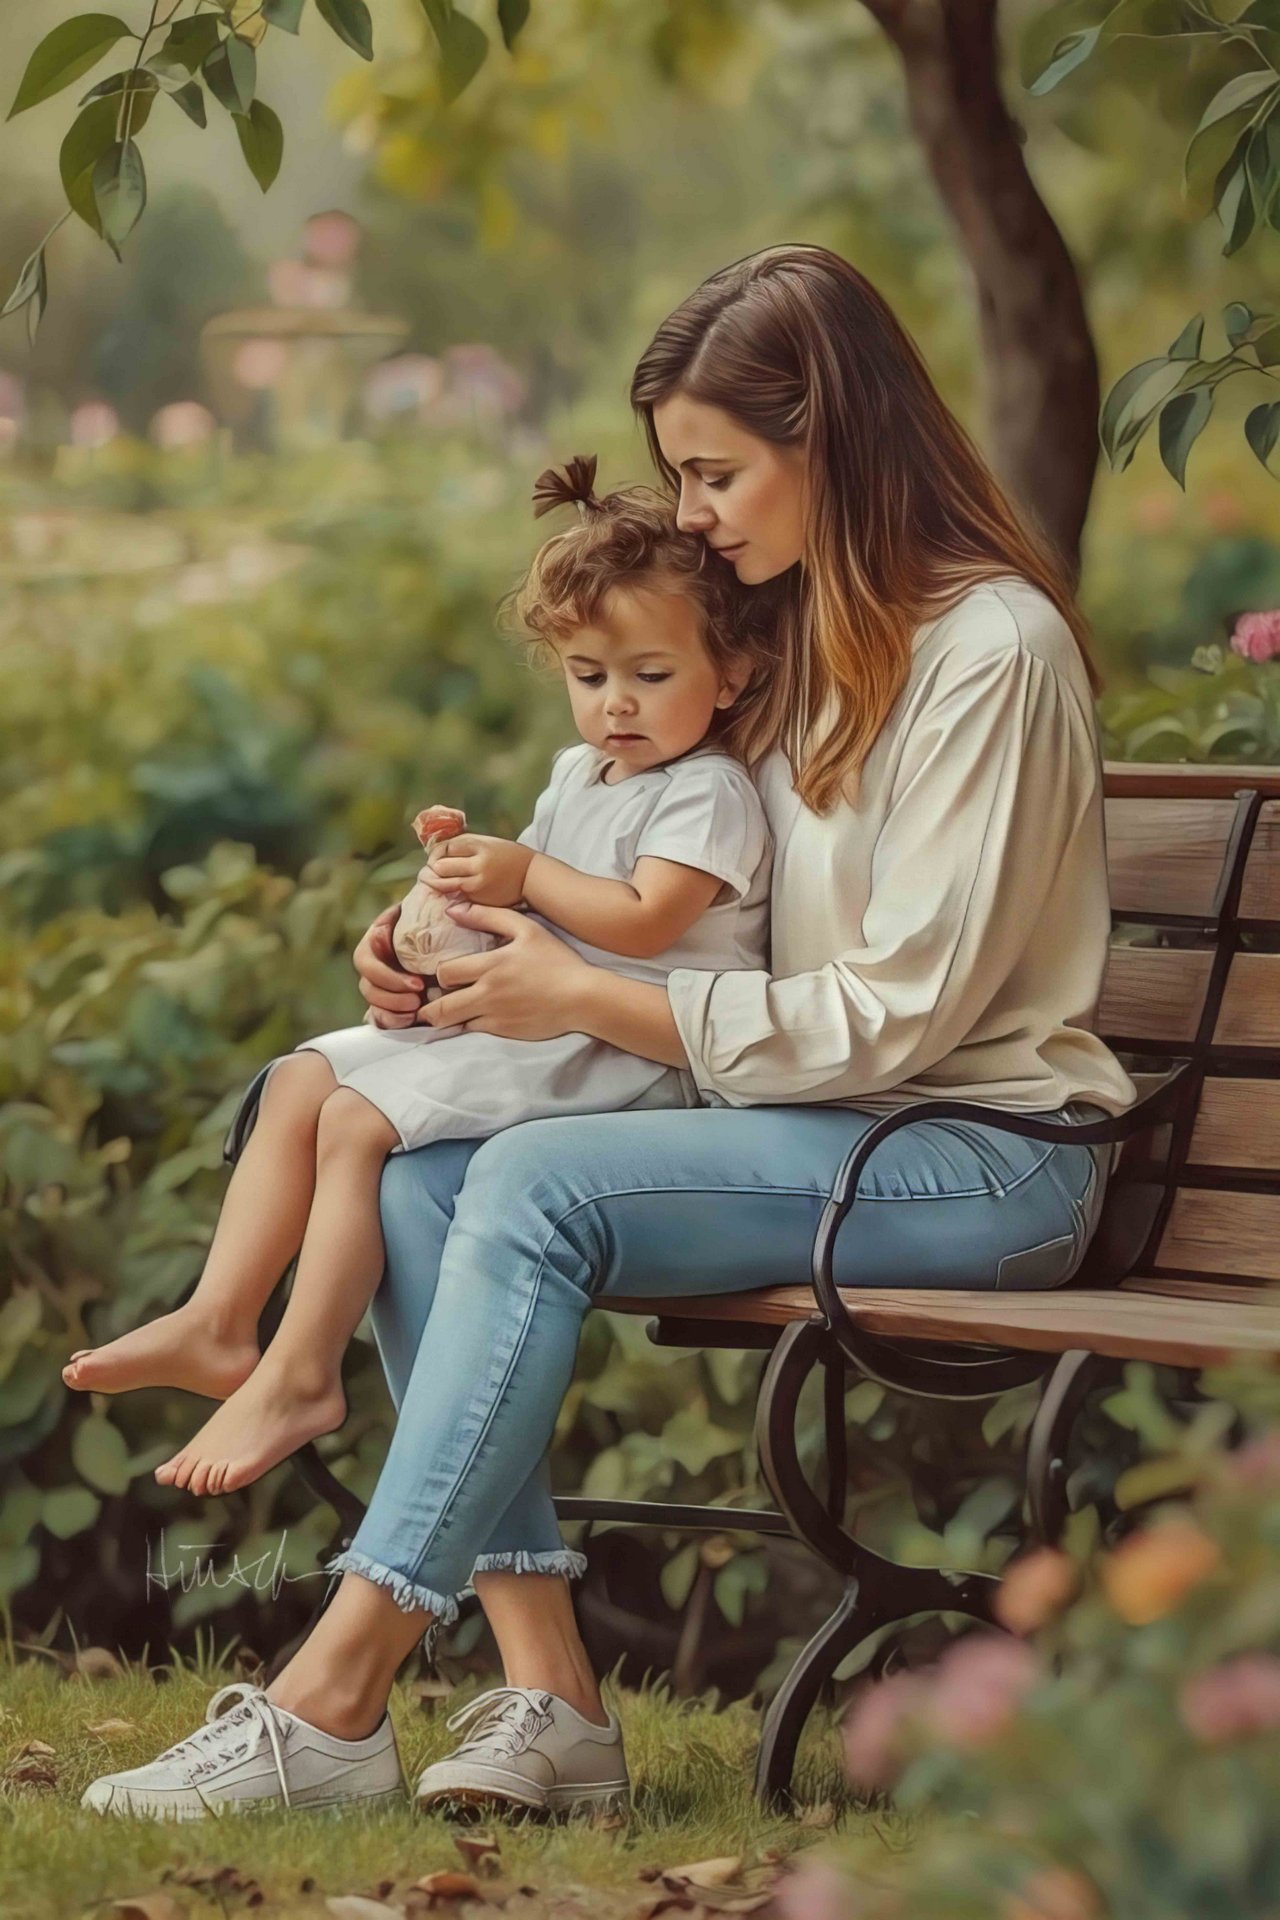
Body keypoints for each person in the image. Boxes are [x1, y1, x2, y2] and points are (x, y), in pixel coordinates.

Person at [82, 243, 1136, 1825]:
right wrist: (442, 957)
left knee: (530, 1184)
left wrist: (581, 998)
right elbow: (664, 891)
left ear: (834, 439)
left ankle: (334, 1696)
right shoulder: (789, 642)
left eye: (718, 472)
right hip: (814, 1127)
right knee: (425, 1173)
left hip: (981, 1156)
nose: (694, 515)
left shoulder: (991, 653)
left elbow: (897, 1014)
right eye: (679, 476)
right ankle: (556, 1700)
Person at [61, 460, 774, 1503]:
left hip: (626, 1053)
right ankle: (220, 1319)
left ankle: (304, 1373)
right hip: (541, 1026)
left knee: (357, 1123)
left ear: (733, 673)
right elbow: (532, 912)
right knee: (304, 1078)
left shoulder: (708, 790)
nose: (615, 704)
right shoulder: (583, 774)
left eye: (651, 676)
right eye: (587, 676)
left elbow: (644, 918)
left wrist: (525, 873)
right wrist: (422, 934)